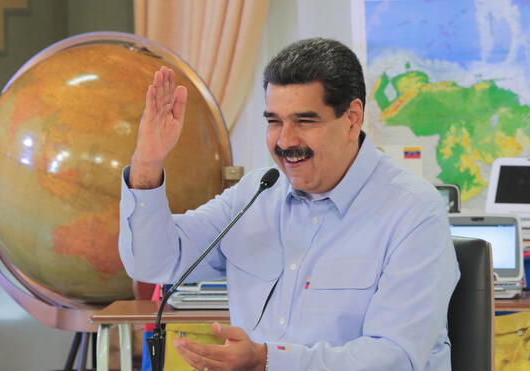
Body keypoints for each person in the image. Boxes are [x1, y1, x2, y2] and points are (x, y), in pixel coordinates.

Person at [119, 38, 460, 371]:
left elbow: (395, 357)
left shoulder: (413, 210)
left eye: (304, 121)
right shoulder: (257, 192)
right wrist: (148, 164)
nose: (285, 141)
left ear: (352, 119)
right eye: (274, 121)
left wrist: (267, 360)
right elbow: (154, 262)